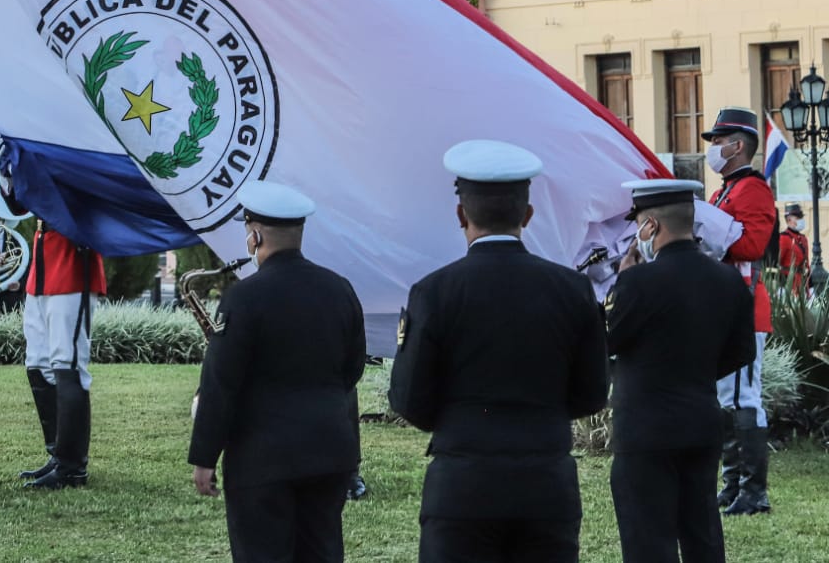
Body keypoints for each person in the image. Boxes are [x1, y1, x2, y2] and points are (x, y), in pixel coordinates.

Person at [389, 139, 609, 563]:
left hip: (462, 484)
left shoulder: (434, 292)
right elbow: (592, 393)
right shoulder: (573, 289)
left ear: (460, 215)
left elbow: (410, 399)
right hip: (546, 482)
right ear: (527, 215)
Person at [188, 180, 365, 562]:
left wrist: (204, 456)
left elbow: (221, 383)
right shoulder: (340, 289)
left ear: (253, 236)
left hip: (262, 457)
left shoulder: (244, 298)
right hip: (330, 451)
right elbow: (352, 370)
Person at [607, 179, 756, 563]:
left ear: (651, 226)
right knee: (702, 534)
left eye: (638, 223)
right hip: (700, 421)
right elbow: (741, 351)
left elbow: (607, 341)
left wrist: (621, 282)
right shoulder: (728, 280)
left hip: (644, 430)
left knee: (647, 541)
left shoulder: (636, 282)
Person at [0, 132, 107, 489]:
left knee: (67, 363)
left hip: (72, 258)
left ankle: (73, 467)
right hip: (44, 258)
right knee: (38, 362)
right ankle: (58, 454)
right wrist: (8, 173)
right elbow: (21, 206)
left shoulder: (75, 144)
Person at [701, 107, 777, 516]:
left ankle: (754, 493)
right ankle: (733, 486)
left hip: (744, 309)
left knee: (743, 397)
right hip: (725, 307)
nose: (714, 148)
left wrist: (707, 235)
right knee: (726, 399)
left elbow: (752, 246)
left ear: (739, 145)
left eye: (718, 140)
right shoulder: (725, 191)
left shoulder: (752, 189)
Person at [778, 203, 809, 298]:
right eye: (798, 217)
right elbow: (778, 263)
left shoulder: (803, 239)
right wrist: (781, 286)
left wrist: (810, 287)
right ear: (788, 220)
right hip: (789, 284)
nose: (801, 220)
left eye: (801, 217)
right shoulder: (783, 238)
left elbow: (807, 265)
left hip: (802, 284)